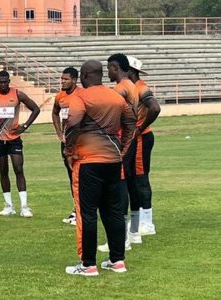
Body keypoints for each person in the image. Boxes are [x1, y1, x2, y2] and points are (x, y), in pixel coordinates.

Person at [64, 60, 136, 276]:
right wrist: (122, 151)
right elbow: (131, 124)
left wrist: (69, 151)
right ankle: (117, 261)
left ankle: (88, 265)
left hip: (88, 162)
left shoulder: (80, 96)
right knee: (114, 212)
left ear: (85, 76)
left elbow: (73, 123)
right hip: (113, 162)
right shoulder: (116, 96)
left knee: (87, 213)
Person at [0, 70, 40, 217]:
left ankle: (24, 207)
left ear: (9, 82)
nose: (3, 84)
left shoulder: (18, 94)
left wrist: (24, 126)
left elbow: (35, 109)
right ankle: (8, 205)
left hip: (14, 138)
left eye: (6, 82)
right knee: (3, 171)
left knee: (18, 169)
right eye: (1, 82)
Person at [98, 53, 139, 252]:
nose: (108, 71)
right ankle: (127, 236)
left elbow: (110, 112)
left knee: (117, 188)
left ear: (116, 67)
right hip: (128, 139)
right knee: (122, 186)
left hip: (121, 141)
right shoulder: (131, 85)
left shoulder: (121, 88)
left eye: (109, 68)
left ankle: (121, 239)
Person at [127, 55, 161, 236]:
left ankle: (147, 223)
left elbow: (155, 108)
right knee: (132, 180)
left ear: (130, 71)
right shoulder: (132, 88)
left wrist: (140, 127)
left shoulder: (141, 88)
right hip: (134, 139)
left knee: (141, 180)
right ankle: (138, 220)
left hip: (141, 139)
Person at [51, 67, 82, 225]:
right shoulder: (60, 96)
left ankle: (82, 211)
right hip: (65, 144)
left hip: (80, 144)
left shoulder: (81, 95)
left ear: (75, 80)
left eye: (66, 79)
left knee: (81, 177)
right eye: (61, 79)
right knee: (72, 178)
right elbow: (55, 112)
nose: (62, 81)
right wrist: (59, 133)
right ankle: (77, 209)